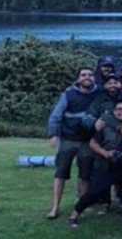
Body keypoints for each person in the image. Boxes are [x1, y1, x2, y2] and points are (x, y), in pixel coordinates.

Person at [69, 98, 122, 228]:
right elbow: (92, 143)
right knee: (94, 192)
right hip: (108, 165)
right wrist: (105, 153)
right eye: (119, 109)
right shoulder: (106, 125)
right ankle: (74, 215)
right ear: (114, 112)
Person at [46, 67, 99, 219]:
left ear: (94, 78)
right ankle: (55, 207)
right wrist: (53, 134)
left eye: (90, 75)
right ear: (78, 78)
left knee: (85, 176)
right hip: (68, 140)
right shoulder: (68, 94)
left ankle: (79, 208)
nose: (87, 77)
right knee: (60, 173)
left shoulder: (99, 94)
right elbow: (56, 115)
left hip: (88, 142)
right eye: (83, 75)